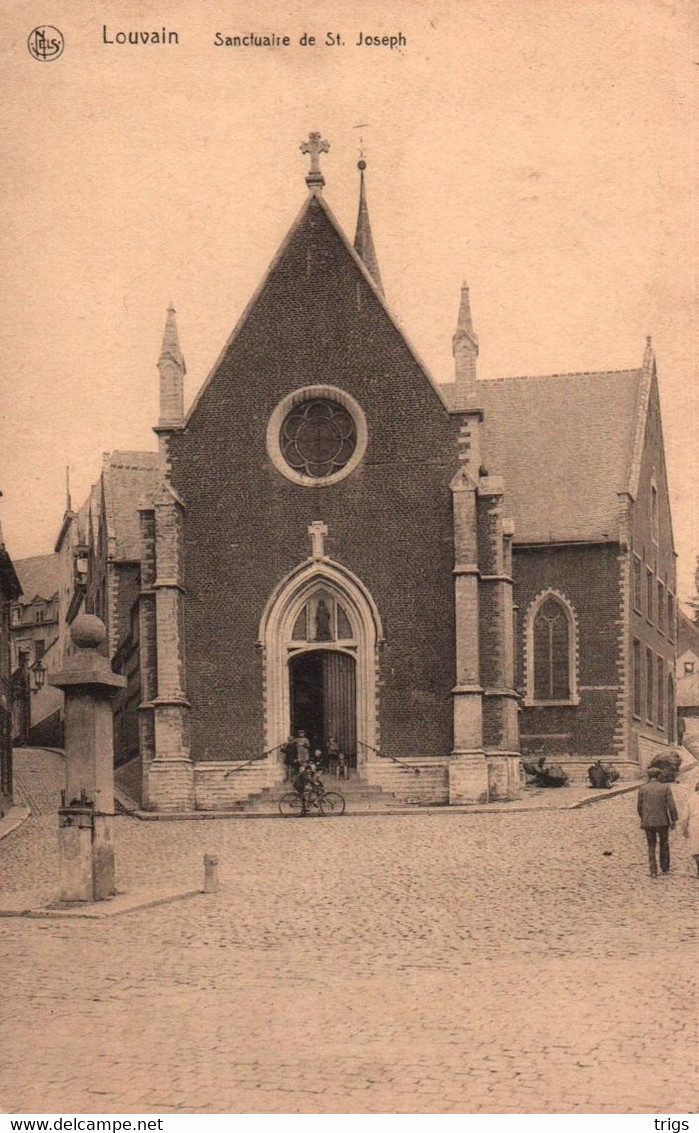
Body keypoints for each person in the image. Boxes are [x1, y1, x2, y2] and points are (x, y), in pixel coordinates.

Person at [637, 766, 678, 877]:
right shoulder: (665, 788)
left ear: (649, 776)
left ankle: (653, 870)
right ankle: (664, 867)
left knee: (651, 845)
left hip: (648, 822)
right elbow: (672, 806)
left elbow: (639, 807)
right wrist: (674, 820)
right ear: (659, 776)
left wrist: (644, 817)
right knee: (664, 844)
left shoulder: (643, 788)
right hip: (663, 822)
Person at [680, 780, 699, 877]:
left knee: (696, 848)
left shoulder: (691, 799)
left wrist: (684, 829)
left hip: (695, 824)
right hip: (694, 823)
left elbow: (684, 817)